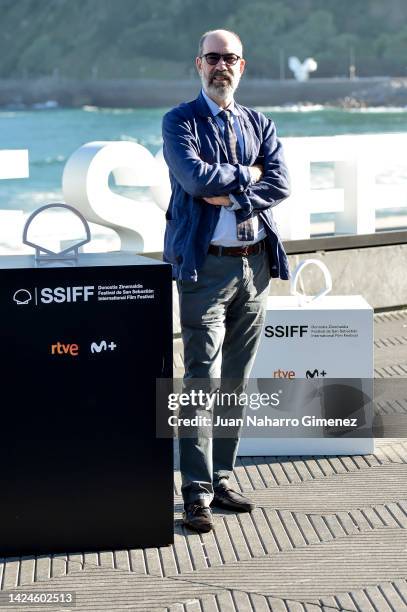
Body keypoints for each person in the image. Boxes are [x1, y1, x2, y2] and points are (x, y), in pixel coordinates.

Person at [162, 29, 290, 533]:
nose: (221, 66)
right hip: (205, 266)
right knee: (201, 379)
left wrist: (234, 189)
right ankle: (193, 491)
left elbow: (281, 181)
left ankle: (221, 478)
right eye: (213, 58)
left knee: (235, 380)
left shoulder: (260, 121)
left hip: (254, 264)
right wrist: (250, 175)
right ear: (199, 64)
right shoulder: (180, 120)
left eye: (230, 58)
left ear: (243, 65)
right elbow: (194, 180)